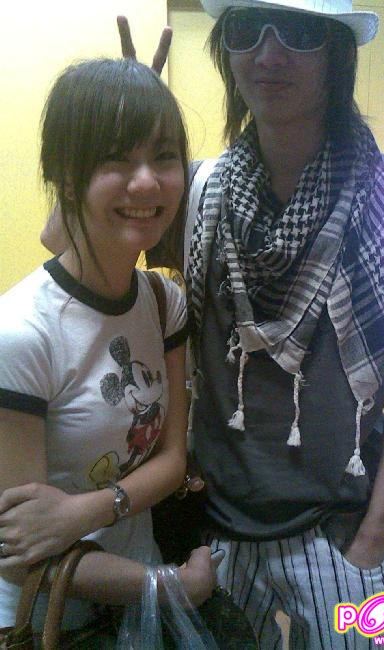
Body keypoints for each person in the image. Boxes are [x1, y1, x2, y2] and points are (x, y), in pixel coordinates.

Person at [16, 1, 384, 646]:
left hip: (338, 528)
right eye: (248, 30)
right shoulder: (201, 190)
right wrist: (126, 125)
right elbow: (63, 240)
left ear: (336, 52)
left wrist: (376, 532)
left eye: (299, 33)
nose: (269, 54)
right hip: (213, 525)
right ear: (227, 50)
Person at [0, 57, 219, 637]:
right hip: (46, 623)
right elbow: (20, 556)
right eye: (115, 159)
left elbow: (172, 460)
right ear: (66, 176)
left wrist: (83, 512)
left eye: (164, 156)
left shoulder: (161, 302)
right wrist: (170, 585)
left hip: (133, 609)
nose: (146, 182)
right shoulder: (20, 334)